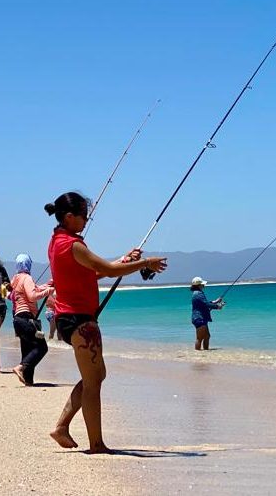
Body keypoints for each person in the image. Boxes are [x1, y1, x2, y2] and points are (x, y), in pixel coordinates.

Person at [45, 192, 167, 453]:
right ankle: (96, 444)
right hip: (80, 320)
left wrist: (126, 260)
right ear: (69, 217)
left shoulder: (57, 242)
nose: (87, 220)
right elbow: (109, 272)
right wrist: (146, 263)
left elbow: (93, 272)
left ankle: (62, 426)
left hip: (69, 318)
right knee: (93, 382)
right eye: (83, 216)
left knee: (97, 375)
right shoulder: (73, 245)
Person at [9, 253, 54, 386]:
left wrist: (49, 285)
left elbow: (31, 290)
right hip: (27, 318)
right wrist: (49, 292)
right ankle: (20, 368)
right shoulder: (27, 278)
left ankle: (28, 381)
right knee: (41, 348)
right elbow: (32, 296)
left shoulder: (15, 279)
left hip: (17, 320)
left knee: (28, 350)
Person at [190, 276, 224, 350]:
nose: (204, 285)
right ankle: (197, 355)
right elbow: (206, 304)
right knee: (199, 338)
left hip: (200, 318)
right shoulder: (198, 294)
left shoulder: (197, 293)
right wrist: (218, 307)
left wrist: (215, 301)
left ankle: (206, 353)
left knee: (207, 336)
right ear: (199, 285)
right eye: (202, 284)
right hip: (199, 318)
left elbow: (204, 303)